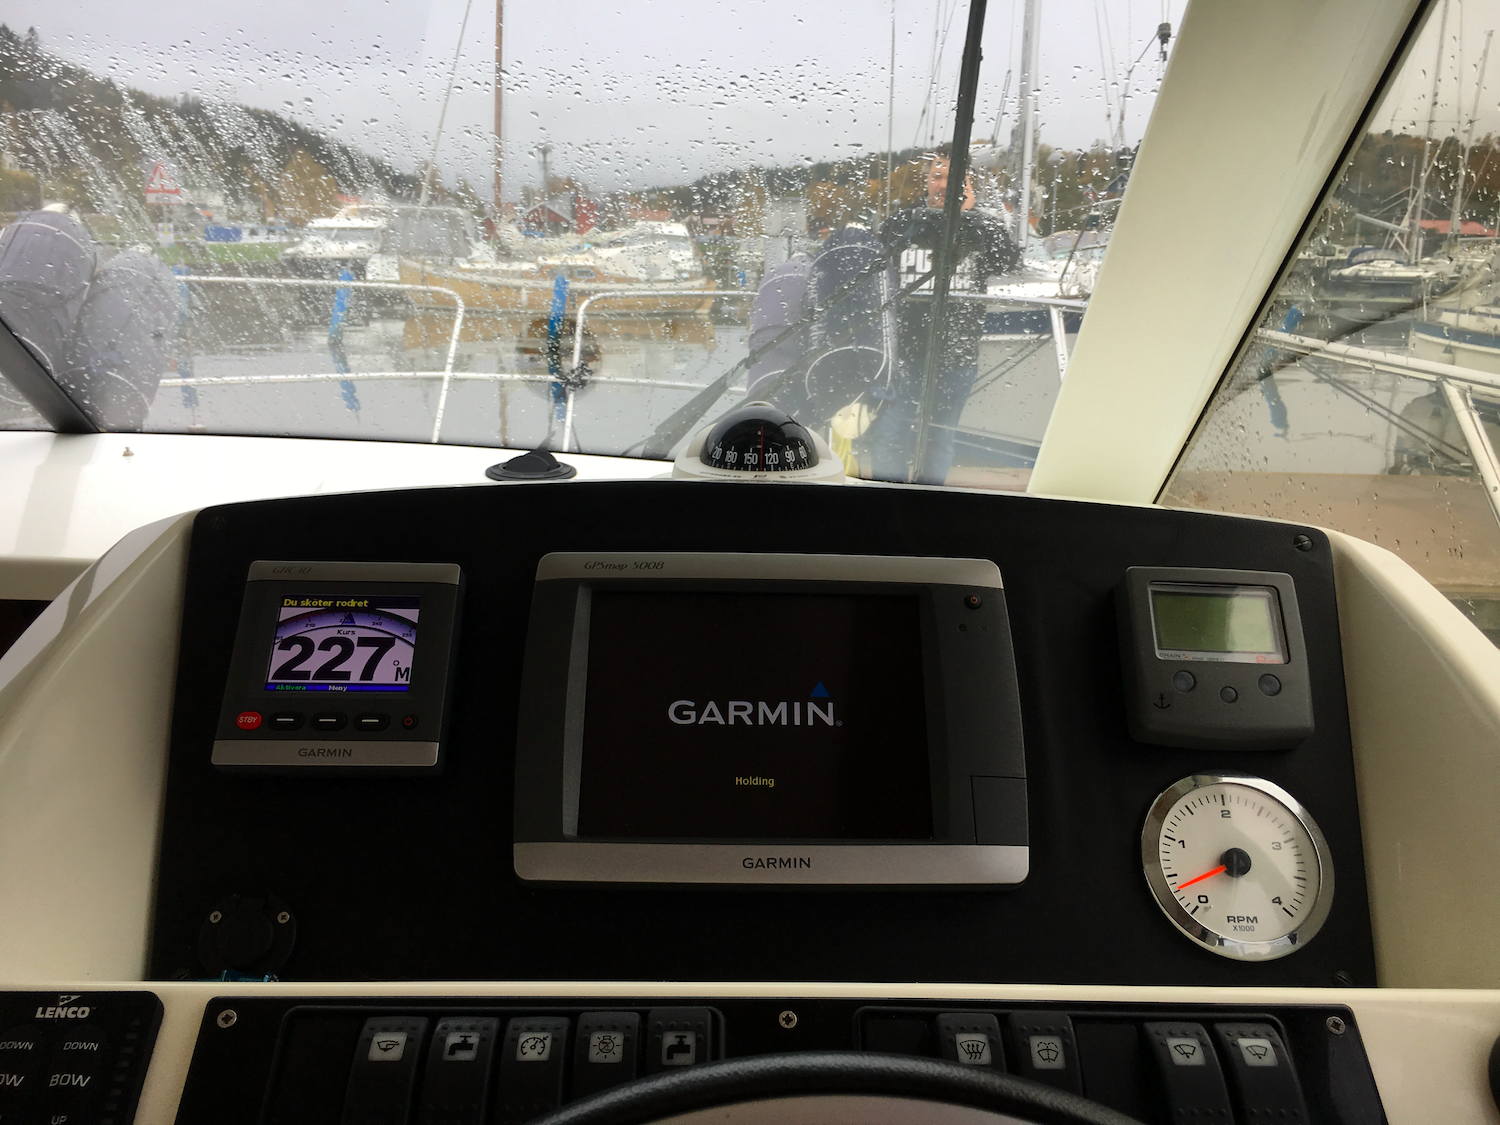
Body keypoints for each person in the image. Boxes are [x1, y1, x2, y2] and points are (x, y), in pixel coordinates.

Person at [862, 148, 1020, 484]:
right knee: (890, 433)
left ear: (969, 186)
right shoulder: (903, 222)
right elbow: (872, 268)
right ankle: (884, 504)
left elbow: (1007, 260)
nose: (944, 184)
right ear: (927, 183)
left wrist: (969, 213)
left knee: (940, 437)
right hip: (903, 357)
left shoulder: (983, 228)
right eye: (937, 176)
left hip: (957, 359)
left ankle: (932, 505)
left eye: (955, 178)